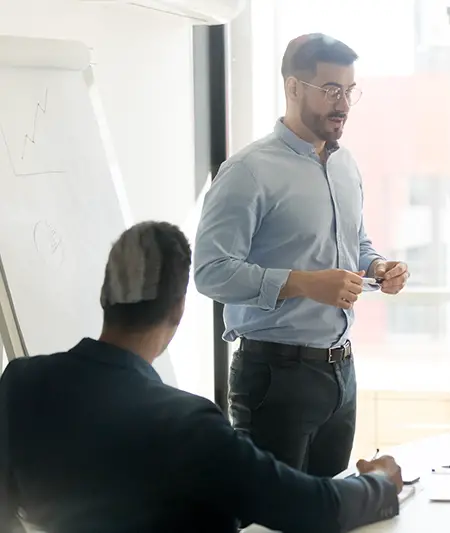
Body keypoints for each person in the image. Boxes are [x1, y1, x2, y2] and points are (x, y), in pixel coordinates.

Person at [0, 222, 403, 533]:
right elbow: (313, 507)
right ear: (178, 311)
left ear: (105, 296)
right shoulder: (187, 425)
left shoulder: (20, 383)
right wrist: (380, 483)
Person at [193, 33, 409, 478]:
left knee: (330, 512)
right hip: (274, 376)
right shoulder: (248, 171)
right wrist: (304, 282)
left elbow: (357, 243)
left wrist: (377, 266)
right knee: (273, 519)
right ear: (293, 88)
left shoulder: (346, 165)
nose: (344, 104)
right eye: (331, 90)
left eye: (350, 91)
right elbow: (210, 272)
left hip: (340, 372)